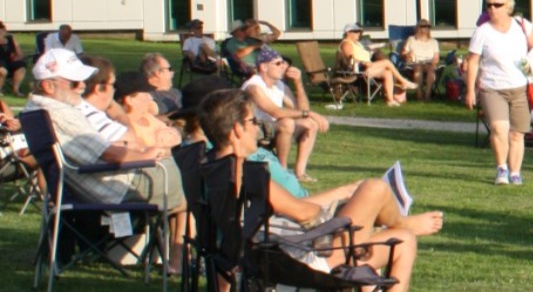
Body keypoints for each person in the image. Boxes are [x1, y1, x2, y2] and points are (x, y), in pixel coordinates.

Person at [197, 89, 443, 291]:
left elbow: (284, 210)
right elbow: (304, 214)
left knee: (403, 241)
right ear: (238, 129)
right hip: (299, 261)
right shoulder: (245, 174)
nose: (258, 128)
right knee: (375, 189)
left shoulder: (214, 170)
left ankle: (400, 226)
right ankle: (403, 221)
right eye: (253, 122)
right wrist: (330, 215)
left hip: (270, 255)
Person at [24, 49, 188, 268]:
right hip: (107, 187)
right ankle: (178, 260)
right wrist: (146, 154)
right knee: (187, 179)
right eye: (75, 82)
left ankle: (173, 258)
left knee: (177, 170)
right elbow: (110, 154)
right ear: (48, 86)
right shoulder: (63, 113)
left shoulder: (35, 111)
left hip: (79, 185)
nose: (82, 86)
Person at [465, 0, 533, 186]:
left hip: (519, 87)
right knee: (499, 128)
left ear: (508, 6)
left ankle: (515, 172)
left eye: (497, 5)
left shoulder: (522, 26)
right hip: (492, 87)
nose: (492, 9)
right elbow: (473, 61)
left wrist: (531, 63)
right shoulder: (482, 31)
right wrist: (470, 90)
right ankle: (501, 168)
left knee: (517, 133)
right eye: (489, 5)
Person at [243, 49, 331, 181]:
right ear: (264, 67)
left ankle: (300, 173)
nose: (284, 66)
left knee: (310, 124)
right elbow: (275, 112)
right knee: (287, 123)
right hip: (253, 127)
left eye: (284, 63)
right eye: (278, 64)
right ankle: (282, 170)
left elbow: (302, 111)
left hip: (270, 127)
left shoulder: (279, 86)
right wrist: (310, 113)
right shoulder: (254, 86)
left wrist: (298, 83)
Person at [341, 23, 419, 106]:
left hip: (368, 66)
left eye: (359, 31)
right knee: (387, 62)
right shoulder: (346, 43)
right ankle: (403, 81)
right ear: (348, 32)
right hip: (360, 69)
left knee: (387, 73)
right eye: (356, 32)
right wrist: (362, 62)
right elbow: (351, 58)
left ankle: (390, 100)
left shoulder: (357, 44)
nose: (359, 34)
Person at [402, 20, 442, 101]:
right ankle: (418, 93)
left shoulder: (434, 42)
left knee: (431, 69)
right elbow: (403, 52)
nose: (427, 28)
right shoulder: (411, 39)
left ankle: (427, 93)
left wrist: (434, 62)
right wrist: (407, 54)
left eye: (428, 26)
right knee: (418, 67)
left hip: (429, 63)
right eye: (424, 26)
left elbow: (436, 57)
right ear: (418, 28)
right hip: (414, 63)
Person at [0, 21, 27, 96]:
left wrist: (18, 57)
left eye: (1, 30)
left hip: (9, 62)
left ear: (4, 30)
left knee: (21, 66)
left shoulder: (11, 39)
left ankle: (16, 90)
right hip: (1, 65)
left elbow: (21, 54)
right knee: (2, 71)